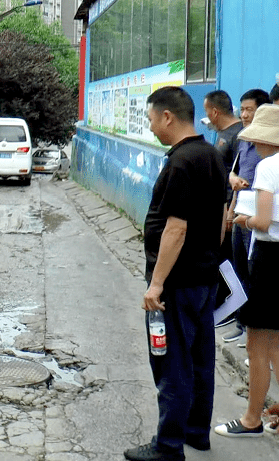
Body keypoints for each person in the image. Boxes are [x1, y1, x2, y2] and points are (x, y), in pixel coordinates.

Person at [124, 86, 226, 461]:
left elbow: (176, 229)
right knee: (201, 361)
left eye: (151, 119)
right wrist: (210, 258)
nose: (150, 127)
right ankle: (196, 433)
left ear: (167, 116)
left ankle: (167, 446)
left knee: (172, 363)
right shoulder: (213, 155)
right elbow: (220, 219)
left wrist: (156, 284)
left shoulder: (182, 162)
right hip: (204, 277)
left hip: (179, 284)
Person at [215, 104, 279, 438]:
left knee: (258, 342)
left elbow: (263, 221)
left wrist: (244, 219)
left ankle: (253, 418)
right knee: (277, 341)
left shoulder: (269, 168)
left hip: (270, 256)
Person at [222, 89, 271, 344]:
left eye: (248, 109)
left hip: (259, 221)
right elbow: (235, 173)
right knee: (239, 270)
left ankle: (254, 329)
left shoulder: (270, 150)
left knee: (255, 274)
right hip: (240, 214)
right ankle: (242, 323)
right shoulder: (243, 141)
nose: (243, 114)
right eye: (241, 109)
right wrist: (230, 212)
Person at [203, 90, 242, 327]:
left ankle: (231, 307)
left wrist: (231, 208)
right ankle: (219, 305)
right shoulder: (221, 133)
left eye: (207, 112)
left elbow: (241, 174)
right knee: (219, 254)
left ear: (215, 112)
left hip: (230, 208)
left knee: (227, 257)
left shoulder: (238, 135)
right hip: (218, 204)